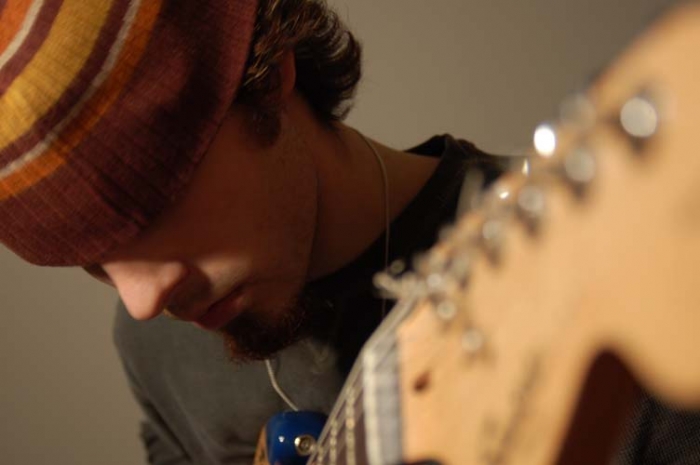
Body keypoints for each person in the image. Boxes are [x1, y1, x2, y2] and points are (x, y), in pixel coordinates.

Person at [1, 1, 698, 464]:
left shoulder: (605, 270)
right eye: (93, 262)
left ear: (267, 78)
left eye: (151, 215)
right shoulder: (155, 351)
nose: (141, 301)